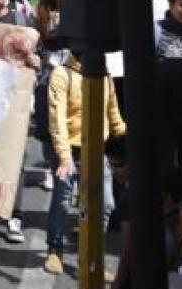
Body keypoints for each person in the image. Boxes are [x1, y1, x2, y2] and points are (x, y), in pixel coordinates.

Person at [43, 50, 126, 274]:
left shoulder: (104, 73)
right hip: (69, 151)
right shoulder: (62, 74)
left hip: (97, 150)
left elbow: (113, 110)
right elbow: (57, 119)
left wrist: (126, 135)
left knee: (105, 204)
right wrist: (64, 156)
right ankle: (55, 249)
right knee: (63, 201)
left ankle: (91, 257)